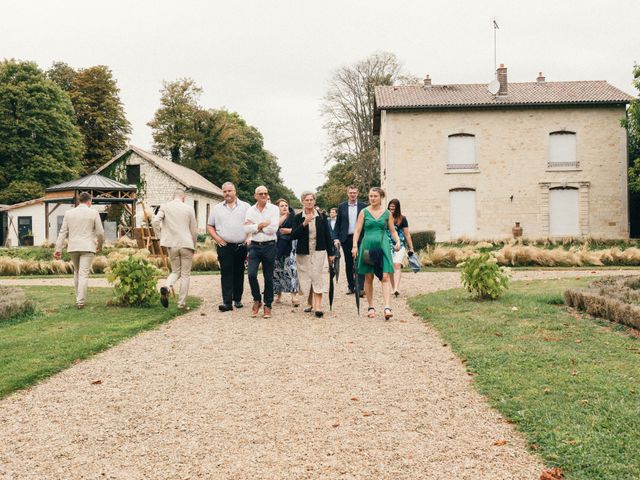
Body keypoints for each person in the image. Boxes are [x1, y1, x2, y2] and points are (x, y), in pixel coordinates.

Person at [351, 187, 401, 320]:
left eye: (375, 196)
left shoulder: (386, 213)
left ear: (381, 197)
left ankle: (387, 307)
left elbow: (393, 231)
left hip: (383, 247)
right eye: (371, 196)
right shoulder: (364, 212)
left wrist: (397, 242)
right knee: (369, 277)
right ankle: (371, 306)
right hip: (367, 247)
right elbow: (357, 231)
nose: (372, 198)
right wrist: (355, 246)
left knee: (384, 277)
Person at [54, 191, 105, 309]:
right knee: (83, 274)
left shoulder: (69, 213)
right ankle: (80, 301)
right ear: (89, 201)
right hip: (88, 247)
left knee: (77, 272)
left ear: (78, 201)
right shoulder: (94, 213)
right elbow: (100, 232)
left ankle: (79, 299)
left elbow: (62, 232)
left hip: (73, 247)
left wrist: (58, 249)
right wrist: (100, 245)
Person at [207, 182, 251, 312]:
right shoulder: (217, 208)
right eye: (225, 191)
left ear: (235, 191)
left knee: (239, 272)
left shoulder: (245, 207)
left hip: (241, 245)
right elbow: (210, 226)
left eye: (230, 191)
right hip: (224, 246)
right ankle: (227, 302)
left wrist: (249, 238)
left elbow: (251, 224)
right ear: (222, 192)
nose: (227, 193)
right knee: (226, 272)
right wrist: (217, 238)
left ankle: (237, 299)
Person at [153, 188, 198, 312]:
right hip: (186, 244)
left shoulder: (164, 206)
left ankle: (167, 287)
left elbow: (155, 221)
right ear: (183, 198)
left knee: (175, 271)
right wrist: (193, 245)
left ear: (173, 197)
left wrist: (159, 237)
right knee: (185, 275)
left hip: (171, 245)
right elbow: (194, 230)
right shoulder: (189, 209)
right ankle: (181, 304)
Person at [291, 191, 335, 317]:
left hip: (318, 250)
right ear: (302, 201)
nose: (309, 202)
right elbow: (293, 235)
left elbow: (327, 236)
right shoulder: (298, 217)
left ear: (314, 201)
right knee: (306, 277)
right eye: (307, 200)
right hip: (303, 251)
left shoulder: (321, 217)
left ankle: (318, 307)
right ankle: (310, 302)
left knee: (316, 275)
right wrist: (304, 224)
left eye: (311, 199)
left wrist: (330, 253)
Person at [244, 185, 280, 318]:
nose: (263, 195)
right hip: (254, 246)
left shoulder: (274, 209)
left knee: (268, 277)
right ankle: (257, 299)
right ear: (256, 196)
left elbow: (273, 228)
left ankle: (268, 305)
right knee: (251, 275)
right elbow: (246, 229)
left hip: (269, 245)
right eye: (261, 193)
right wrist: (261, 224)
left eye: (265, 193)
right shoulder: (250, 210)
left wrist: (255, 226)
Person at [334, 186, 366, 295]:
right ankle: (351, 286)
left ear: (357, 194)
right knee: (348, 263)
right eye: (350, 193)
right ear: (347, 194)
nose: (352, 195)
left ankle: (360, 287)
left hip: (360, 238)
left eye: (354, 193)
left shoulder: (363, 206)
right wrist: (336, 238)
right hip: (346, 238)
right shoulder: (341, 206)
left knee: (360, 261)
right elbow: (338, 224)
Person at [273, 198, 299, 307]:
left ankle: (294, 296)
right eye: (282, 205)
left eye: (286, 205)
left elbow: (299, 230)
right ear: (277, 208)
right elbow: (270, 230)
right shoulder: (274, 218)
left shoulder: (293, 217)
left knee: (291, 271)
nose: (284, 207)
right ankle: (278, 294)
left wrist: (289, 231)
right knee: (276, 271)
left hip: (290, 247)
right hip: (276, 247)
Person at [387, 198, 415, 298]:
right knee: (390, 267)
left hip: (400, 245)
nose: (391, 209)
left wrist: (411, 248)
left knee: (397, 264)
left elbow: (407, 235)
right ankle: (393, 287)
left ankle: (396, 288)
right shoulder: (385, 217)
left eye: (393, 207)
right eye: (390, 207)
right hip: (387, 245)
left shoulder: (402, 219)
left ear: (397, 208)